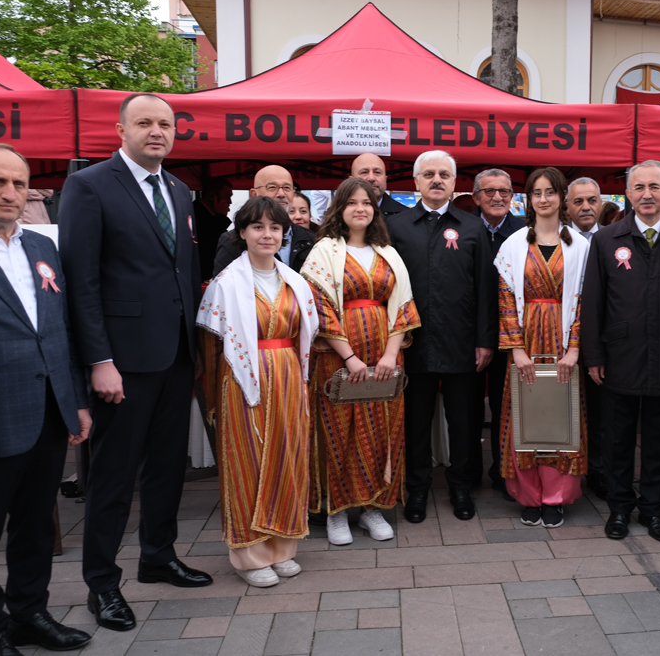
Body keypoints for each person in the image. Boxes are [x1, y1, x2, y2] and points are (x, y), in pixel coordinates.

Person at [58, 93, 211, 633]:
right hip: (122, 360)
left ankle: (158, 556)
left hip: (175, 354)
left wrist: (194, 349)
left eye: (165, 124)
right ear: (121, 130)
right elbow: (80, 280)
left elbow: (182, 272)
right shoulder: (89, 185)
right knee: (114, 476)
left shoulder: (179, 190)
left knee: (167, 465)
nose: (156, 131)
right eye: (144, 122)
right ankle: (102, 582)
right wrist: (99, 359)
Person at [0, 143, 92, 656]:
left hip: (47, 409)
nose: (11, 193)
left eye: (19, 184)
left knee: (36, 526)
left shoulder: (42, 247)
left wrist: (76, 401)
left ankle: (30, 614)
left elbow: (59, 329)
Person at [581, 160, 660, 543]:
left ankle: (653, 509)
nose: (647, 194)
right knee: (617, 439)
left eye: (655, 187)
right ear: (628, 194)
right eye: (639, 187)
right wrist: (593, 356)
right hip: (619, 355)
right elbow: (593, 302)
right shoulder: (606, 239)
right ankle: (620, 508)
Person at [197, 196, 316, 588]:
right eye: (258, 227)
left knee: (288, 457)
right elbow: (212, 347)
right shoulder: (225, 284)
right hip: (243, 380)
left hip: (289, 376)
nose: (267, 234)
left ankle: (282, 547)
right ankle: (249, 554)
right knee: (248, 458)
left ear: (284, 234)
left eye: (275, 228)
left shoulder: (296, 281)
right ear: (243, 233)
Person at [302, 178, 420, 545]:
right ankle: (336, 511)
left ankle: (372, 508)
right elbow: (319, 307)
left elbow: (403, 306)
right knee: (337, 432)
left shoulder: (388, 253)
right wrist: (350, 358)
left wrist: (390, 354)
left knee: (381, 430)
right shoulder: (323, 251)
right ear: (339, 208)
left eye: (366, 202)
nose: (360, 208)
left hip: (385, 356)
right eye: (352, 202)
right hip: (337, 359)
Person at [385, 150, 497, 523]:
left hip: (462, 344)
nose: (437, 180)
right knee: (415, 421)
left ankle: (461, 486)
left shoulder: (472, 227)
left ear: (454, 183)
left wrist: (485, 340)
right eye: (429, 174)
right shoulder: (397, 227)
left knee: (464, 421)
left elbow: (485, 289)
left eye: (444, 174)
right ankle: (416, 489)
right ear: (416, 181)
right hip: (412, 344)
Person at [494, 167, 589, 528]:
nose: (544, 199)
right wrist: (515, 349)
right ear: (529, 199)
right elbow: (505, 301)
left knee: (561, 412)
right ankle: (529, 495)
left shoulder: (580, 246)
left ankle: (556, 497)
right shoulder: (513, 244)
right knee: (523, 414)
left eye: (551, 192)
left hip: (564, 342)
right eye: (537, 192)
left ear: (562, 196)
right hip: (526, 339)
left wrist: (575, 349)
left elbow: (583, 303)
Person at [472, 167, 525, 501]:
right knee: (470, 408)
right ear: (476, 197)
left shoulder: (524, 231)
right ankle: (469, 474)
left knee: (508, 408)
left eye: (504, 191)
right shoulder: (465, 228)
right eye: (489, 191)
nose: (497, 197)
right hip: (472, 335)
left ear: (512, 196)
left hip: (514, 336)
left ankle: (504, 473)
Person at [566, 177, 607, 501]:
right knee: (564, 407)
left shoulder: (611, 239)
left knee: (601, 411)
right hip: (561, 339)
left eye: (592, 200)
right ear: (567, 206)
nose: (585, 207)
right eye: (578, 201)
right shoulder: (555, 240)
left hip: (602, 339)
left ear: (601, 204)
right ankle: (565, 471)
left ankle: (599, 471)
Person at [212, 165, 315, 276]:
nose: (281, 194)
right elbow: (223, 282)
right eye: (272, 187)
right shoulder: (232, 241)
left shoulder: (311, 239)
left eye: (287, 188)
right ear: (254, 194)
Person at [193, 177, 233, 280]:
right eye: (228, 197)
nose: (230, 202)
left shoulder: (209, 215)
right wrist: (221, 216)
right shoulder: (197, 213)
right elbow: (212, 242)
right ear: (212, 197)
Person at [352, 153, 408, 217]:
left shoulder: (406, 218)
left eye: (377, 172)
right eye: (364, 172)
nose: (371, 178)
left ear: (385, 179)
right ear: (350, 180)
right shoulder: (341, 215)